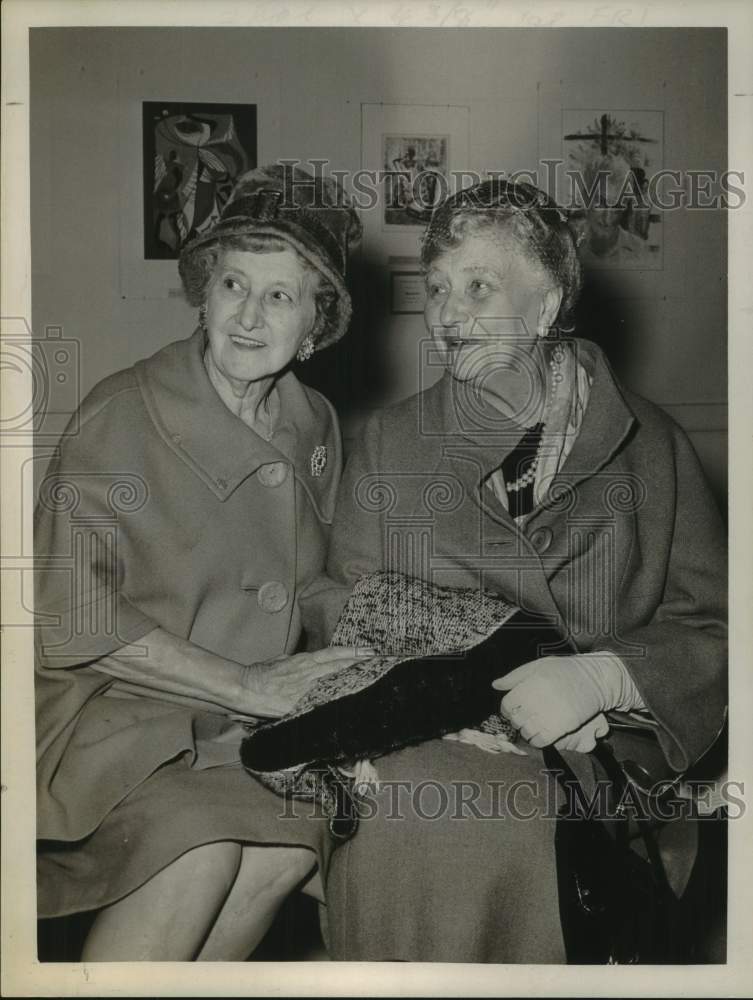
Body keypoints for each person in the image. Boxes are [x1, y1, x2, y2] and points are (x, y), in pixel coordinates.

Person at [302, 178, 727, 962]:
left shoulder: (653, 447)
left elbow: (712, 627)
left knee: (511, 841)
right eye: (435, 289)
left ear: (544, 305)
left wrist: (604, 678)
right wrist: (447, 688)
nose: (447, 314)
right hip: (418, 739)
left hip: (602, 754)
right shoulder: (392, 442)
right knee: (409, 823)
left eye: (477, 286)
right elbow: (337, 600)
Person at [34, 163, 364, 961]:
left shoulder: (312, 422)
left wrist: (370, 651)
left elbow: (306, 578)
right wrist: (245, 686)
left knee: (288, 846)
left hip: (232, 718)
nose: (248, 317)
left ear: (315, 325)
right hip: (104, 710)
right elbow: (67, 615)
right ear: (202, 294)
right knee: (200, 844)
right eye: (231, 286)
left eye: (279, 296)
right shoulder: (121, 415)